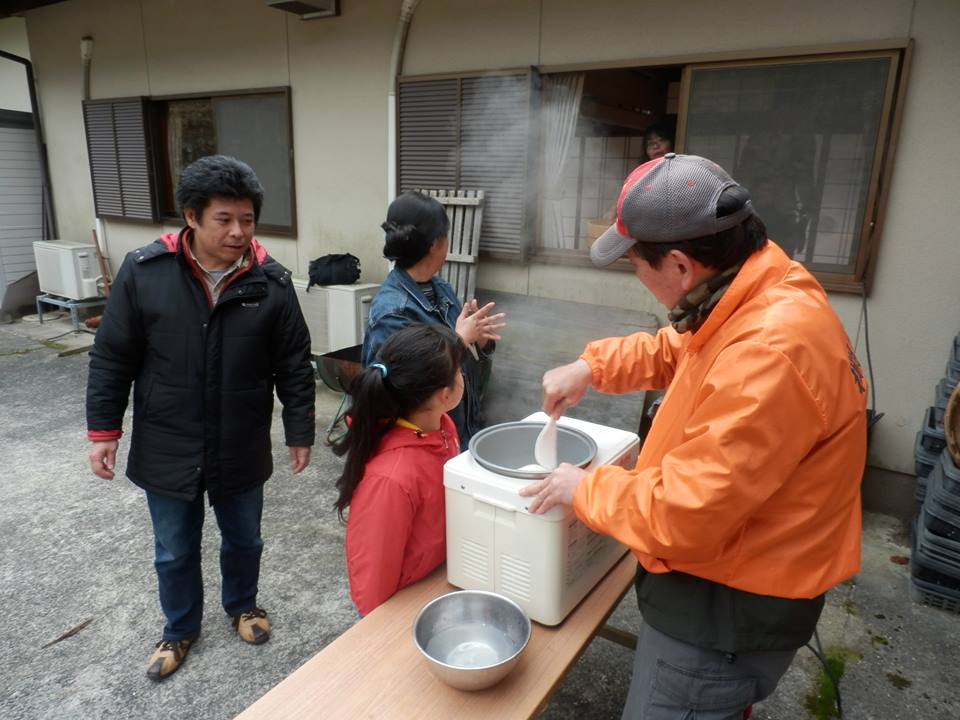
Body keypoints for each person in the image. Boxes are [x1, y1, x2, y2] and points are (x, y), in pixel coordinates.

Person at [519, 153, 867, 719]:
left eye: (636, 264)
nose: (639, 278)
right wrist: (593, 366)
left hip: (724, 612)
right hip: (742, 572)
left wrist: (583, 489)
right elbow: (682, 348)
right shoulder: (760, 291)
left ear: (680, 265)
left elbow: (686, 511)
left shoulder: (768, 353)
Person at [86, 155, 315, 682]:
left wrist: (298, 430)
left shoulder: (271, 284)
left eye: (248, 220)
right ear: (191, 216)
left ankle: (244, 605)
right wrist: (104, 432)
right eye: (224, 219)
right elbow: (113, 355)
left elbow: (294, 364)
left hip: (241, 440)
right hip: (168, 440)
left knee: (245, 538)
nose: (238, 232)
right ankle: (180, 628)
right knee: (173, 549)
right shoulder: (145, 273)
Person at [334, 323, 466, 615]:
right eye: (459, 372)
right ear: (444, 394)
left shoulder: (442, 427)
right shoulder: (390, 480)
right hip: (404, 607)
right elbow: (372, 592)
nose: (462, 377)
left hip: (438, 580)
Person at [361, 191, 505, 446]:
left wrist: (479, 342)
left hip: (457, 433)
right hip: (422, 444)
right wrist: (460, 339)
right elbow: (401, 387)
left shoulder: (441, 288)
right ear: (435, 244)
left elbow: (463, 362)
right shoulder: (392, 311)